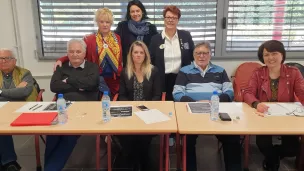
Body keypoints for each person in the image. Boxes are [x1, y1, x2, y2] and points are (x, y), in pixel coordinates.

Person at [173, 41, 242, 171]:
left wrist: (214, 101)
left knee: (233, 138)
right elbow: (177, 94)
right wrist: (195, 103)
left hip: (217, 109)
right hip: (192, 111)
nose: (201, 56)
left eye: (205, 53)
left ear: (210, 55)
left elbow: (229, 92)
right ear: (193, 55)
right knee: (187, 140)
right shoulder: (184, 71)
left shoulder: (220, 71)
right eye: (198, 53)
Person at [243, 40, 304, 171]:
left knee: (293, 148)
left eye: (274, 53)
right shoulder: (258, 73)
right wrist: (256, 103)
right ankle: (271, 160)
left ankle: (273, 156)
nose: (270, 58)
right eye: (266, 55)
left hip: (287, 117)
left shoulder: (293, 72)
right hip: (264, 115)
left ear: (282, 55)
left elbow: (302, 93)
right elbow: (248, 93)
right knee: (262, 144)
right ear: (262, 57)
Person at [46, 39, 99, 171]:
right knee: (51, 134)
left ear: (84, 53)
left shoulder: (92, 67)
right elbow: (54, 86)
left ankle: (50, 169)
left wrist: (68, 81)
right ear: (67, 53)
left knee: (68, 135)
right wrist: (80, 86)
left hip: (85, 109)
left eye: (78, 51)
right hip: (62, 108)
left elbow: (91, 84)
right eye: (71, 51)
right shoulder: (61, 68)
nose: (75, 54)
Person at [53, 8, 122, 97]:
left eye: (107, 22)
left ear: (111, 23)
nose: (105, 25)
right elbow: (77, 52)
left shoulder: (117, 38)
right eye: (101, 22)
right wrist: (61, 60)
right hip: (96, 77)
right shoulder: (89, 39)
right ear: (97, 22)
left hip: (115, 78)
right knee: (104, 101)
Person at [117, 41, 161, 171]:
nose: (138, 55)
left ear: (145, 55)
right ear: (131, 54)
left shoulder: (153, 71)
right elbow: (122, 95)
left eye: (141, 52)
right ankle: (134, 161)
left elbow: (157, 95)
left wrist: (146, 111)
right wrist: (131, 109)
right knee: (127, 138)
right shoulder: (126, 72)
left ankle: (142, 162)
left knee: (142, 139)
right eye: (135, 52)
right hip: (130, 112)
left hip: (148, 112)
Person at [0, 48, 39, 171]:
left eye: (7, 58)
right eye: (0, 58)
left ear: (14, 61)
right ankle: (9, 162)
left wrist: (1, 92)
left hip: (20, 109)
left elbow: (24, 92)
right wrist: (14, 91)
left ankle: (9, 161)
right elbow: (18, 92)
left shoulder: (24, 73)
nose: (3, 61)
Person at [150, 5, 194, 101]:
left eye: (174, 18)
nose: (171, 20)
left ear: (178, 20)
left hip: (181, 78)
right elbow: (151, 61)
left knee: (181, 105)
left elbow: (193, 56)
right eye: (168, 17)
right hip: (162, 79)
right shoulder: (155, 39)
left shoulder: (186, 36)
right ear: (164, 19)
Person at [115, 0, 158, 66]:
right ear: (129, 13)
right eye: (132, 11)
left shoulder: (151, 28)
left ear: (142, 12)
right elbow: (117, 46)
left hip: (146, 67)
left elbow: (154, 50)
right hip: (128, 67)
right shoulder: (122, 27)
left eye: (137, 11)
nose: (135, 14)